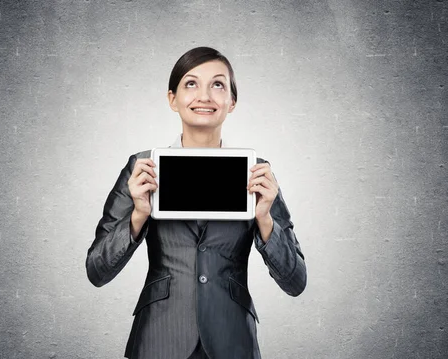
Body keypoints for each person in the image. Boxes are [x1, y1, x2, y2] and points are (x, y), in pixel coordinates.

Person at [85, 47, 307, 359]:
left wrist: (266, 222)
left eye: (218, 85)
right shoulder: (142, 167)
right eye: (191, 84)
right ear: (172, 99)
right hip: (159, 339)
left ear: (231, 102)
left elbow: (296, 281)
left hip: (233, 341)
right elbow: (97, 271)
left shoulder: (257, 172)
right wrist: (137, 217)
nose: (204, 96)